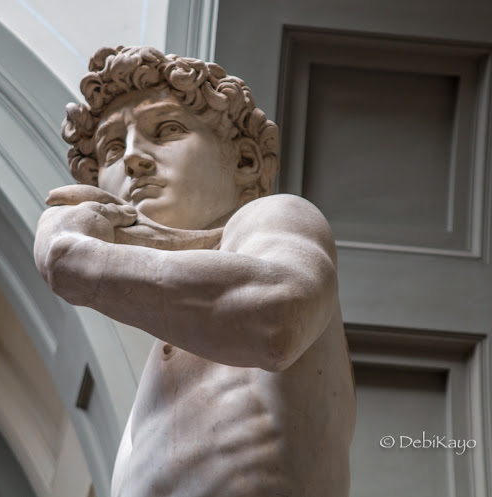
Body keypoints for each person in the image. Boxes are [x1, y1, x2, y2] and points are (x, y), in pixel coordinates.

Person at [34, 46, 356, 497]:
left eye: (166, 129)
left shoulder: (273, 218)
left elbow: (278, 315)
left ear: (245, 161)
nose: (132, 158)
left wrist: (80, 260)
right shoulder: (168, 346)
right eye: (112, 148)